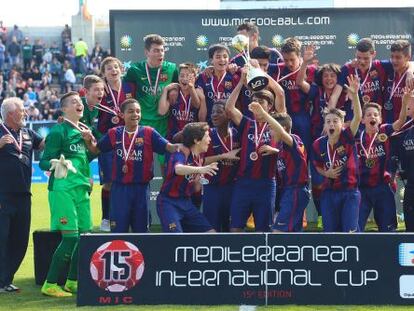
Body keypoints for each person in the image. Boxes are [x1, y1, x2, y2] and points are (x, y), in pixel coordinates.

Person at [85, 98, 181, 232]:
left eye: (138, 111)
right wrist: (88, 141)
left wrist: (181, 145)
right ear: (122, 115)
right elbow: (96, 150)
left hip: (141, 189)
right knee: (118, 231)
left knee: (141, 231)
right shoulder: (114, 133)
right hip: (119, 189)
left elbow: (169, 147)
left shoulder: (149, 132)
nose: (135, 114)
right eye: (131, 111)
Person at [39, 91, 96, 297]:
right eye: (74, 102)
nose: (79, 104)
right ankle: (50, 284)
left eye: (80, 101)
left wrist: (90, 141)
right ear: (64, 108)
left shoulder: (85, 130)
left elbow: (89, 157)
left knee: (84, 237)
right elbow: (45, 161)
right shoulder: (58, 131)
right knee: (70, 238)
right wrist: (56, 164)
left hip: (81, 188)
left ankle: (72, 282)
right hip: (62, 189)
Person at [225, 67, 278, 232]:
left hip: (266, 183)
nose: (256, 105)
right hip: (244, 182)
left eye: (261, 102)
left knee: (264, 230)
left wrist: (274, 150)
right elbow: (229, 108)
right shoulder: (247, 123)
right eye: (254, 101)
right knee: (236, 227)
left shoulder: (276, 125)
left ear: (269, 106)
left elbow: (288, 146)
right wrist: (241, 82)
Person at [0, 97, 44, 293]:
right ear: (11, 113)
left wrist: (63, 127)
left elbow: (44, 144)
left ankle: (5, 279)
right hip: (2, 195)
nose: (25, 113)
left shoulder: (28, 132)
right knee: (2, 238)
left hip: (24, 196)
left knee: (20, 240)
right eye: (22, 110)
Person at [248, 103, 309, 232]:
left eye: (271, 128)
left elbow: (282, 133)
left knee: (277, 232)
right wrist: (275, 150)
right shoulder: (281, 146)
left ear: (284, 128)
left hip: (295, 191)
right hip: (289, 191)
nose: (269, 132)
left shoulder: (293, 139)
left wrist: (264, 114)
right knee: (293, 233)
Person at [312, 75, 362, 232]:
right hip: (329, 192)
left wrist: (354, 95)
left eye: (335, 121)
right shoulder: (318, 144)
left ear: (342, 124)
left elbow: (358, 117)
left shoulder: (347, 136)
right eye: (328, 121)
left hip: (349, 191)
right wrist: (327, 172)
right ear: (325, 125)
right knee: (330, 232)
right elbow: (317, 166)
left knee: (350, 231)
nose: (331, 124)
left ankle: (356, 256)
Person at [123, 34, 178, 167]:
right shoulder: (135, 70)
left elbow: (184, 82)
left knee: (165, 164)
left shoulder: (171, 68)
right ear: (147, 52)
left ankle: (166, 188)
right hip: (141, 122)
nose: (160, 53)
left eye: (162, 50)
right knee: (140, 163)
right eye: (156, 50)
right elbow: (125, 91)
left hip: (163, 122)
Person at [96, 57, 135, 232]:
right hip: (109, 141)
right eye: (109, 69)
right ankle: (105, 218)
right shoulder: (101, 91)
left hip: (131, 141)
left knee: (131, 180)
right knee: (110, 183)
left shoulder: (130, 88)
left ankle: (129, 217)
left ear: (121, 69)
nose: (113, 71)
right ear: (103, 74)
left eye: (116, 67)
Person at [357, 98, 408, 232]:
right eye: (368, 115)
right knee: (355, 227)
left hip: (383, 186)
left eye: (375, 115)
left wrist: (405, 102)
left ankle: (388, 252)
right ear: (362, 120)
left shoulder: (384, 131)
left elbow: (400, 122)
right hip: (362, 188)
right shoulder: (357, 136)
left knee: (388, 228)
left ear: (380, 119)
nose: (372, 117)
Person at [157, 122, 218, 233]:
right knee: (176, 239)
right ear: (196, 140)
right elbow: (178, 169)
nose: (210, 140)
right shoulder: (181, 153)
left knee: (211, 234)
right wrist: (201, 169)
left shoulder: (199, 157)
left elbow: (195, 188)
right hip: (169, 203)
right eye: (207, 136)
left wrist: (200, 179)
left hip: (186, 203)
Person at [203, 100, 241, 231]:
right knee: (212, 229)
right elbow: (201, 161)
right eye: (213, 112)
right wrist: (223, 156)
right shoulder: (206, 135)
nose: (214, 115)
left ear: (229, 114)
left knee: (231, 228)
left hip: (233, 188)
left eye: (219, 112)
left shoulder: (238, 135)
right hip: (212, 188)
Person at [159, 62, 206, 142]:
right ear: (178, 77)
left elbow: (197, 107)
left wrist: (193, 89)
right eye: (182, 76)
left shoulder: (198, 91)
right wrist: (165, 90)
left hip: (192, 139)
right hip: (173, 138)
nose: (184, 78)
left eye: (188, 76)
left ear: (195, 78)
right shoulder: (174, 92)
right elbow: (162, 112)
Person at [196, 44, 240, 125]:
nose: (222, 60)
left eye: (225, 56)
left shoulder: (234, 76)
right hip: (210, 124)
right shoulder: (204, 77)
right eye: (218, 57)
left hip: (230, 125)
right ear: (211, 60)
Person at [393, 87, 414, 231]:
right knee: (410, 227)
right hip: (411, 186)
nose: (409, 105)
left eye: (411, 101)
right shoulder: (403, 132)